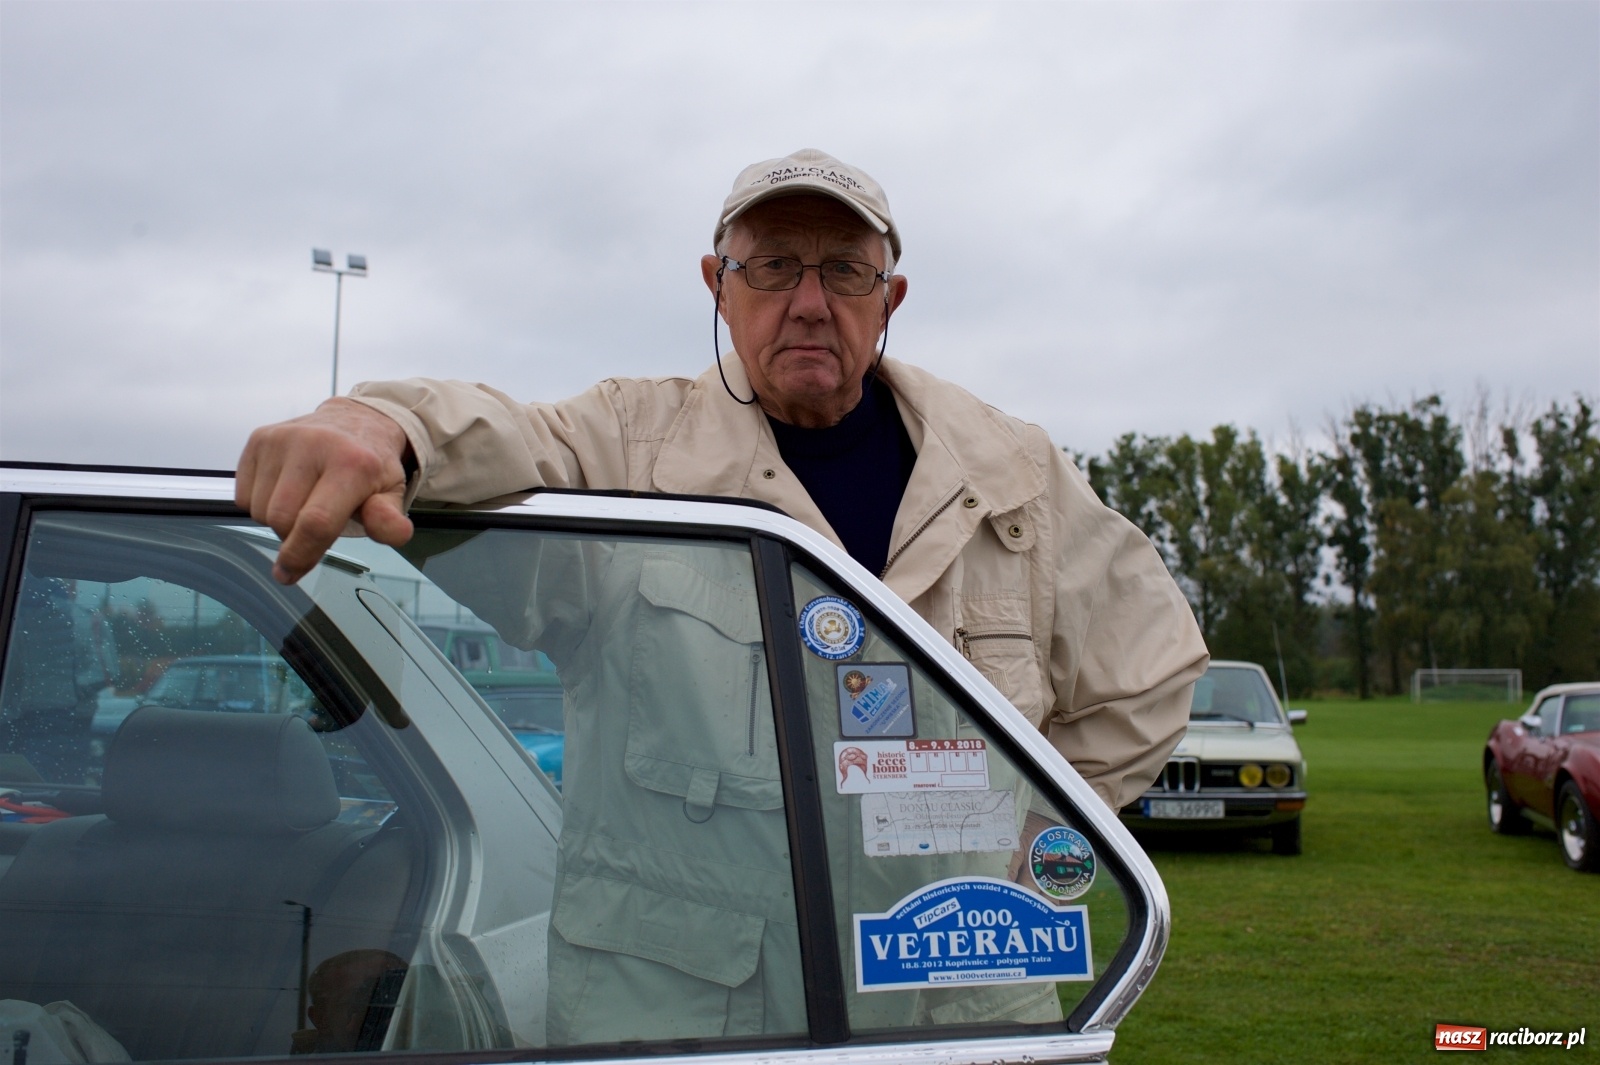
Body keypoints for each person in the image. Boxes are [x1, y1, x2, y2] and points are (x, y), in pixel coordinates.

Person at [237, 148, 1208, 1039]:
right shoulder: (630, 450)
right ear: (719, 285)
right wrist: (384, 426)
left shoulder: (1009, 473)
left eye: (845, 271)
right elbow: (502, 440)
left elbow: (1149, 669)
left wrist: (1039, 834)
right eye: (774, 267)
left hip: (962, 1005)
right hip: (699, 1020)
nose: (810, 303)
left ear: (890, 298)